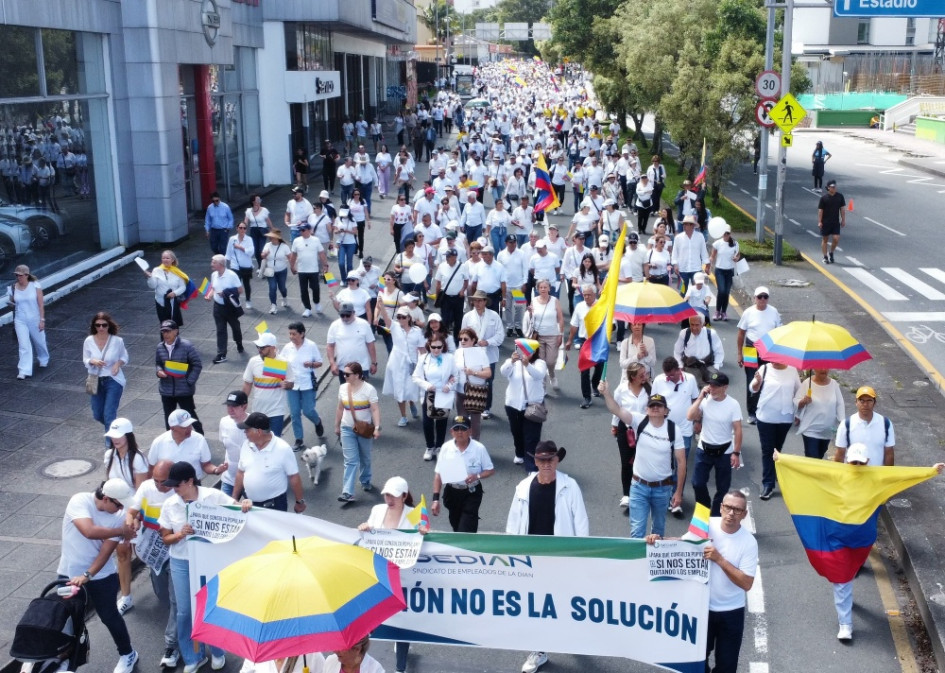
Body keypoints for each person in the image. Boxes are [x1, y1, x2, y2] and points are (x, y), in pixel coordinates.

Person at [646, 490, 757, 673]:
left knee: (727, 667)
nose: (731, 513)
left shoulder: (749, 542)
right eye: (728, 507)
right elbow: (683, 544)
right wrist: (659, 541)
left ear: (744, 514)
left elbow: (746, 583)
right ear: (721, 508)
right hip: (701, 608)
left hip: (731, 612)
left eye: (737, 510)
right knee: (696, 661)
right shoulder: (705, 524)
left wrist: (720, 560)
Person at [159, 461, 252, 673]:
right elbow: (165, 538)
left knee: (210, 606)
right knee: (184, 612)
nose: (174, 489)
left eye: (177, 485)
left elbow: (237, 509)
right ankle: (193, 655)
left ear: (190, 481)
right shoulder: (170, 504)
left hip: (208, 560)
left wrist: (245, 503)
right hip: (181, 561)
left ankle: (218, 651)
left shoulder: (212, 496)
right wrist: (180, 534)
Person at [506, 440, 589, 673]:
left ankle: (569, 633)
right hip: (531, 558)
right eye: (542, 460)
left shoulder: (570, 486)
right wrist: (511, 555)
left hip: (561, 557)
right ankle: (539, 650)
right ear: (535, 461)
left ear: (557, 460)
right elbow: (513, 524)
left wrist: (582, 557)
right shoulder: (523, 487)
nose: (546, 464)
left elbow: (581, 523)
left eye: (550, 459)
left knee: (564, 601)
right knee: (537, 605)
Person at [57, 479, 138, 673]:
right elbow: (89, 531)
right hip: (68, 573)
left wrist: (88, 574)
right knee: (67, 620)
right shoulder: (79, 501)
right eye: (118, 504)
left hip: (102, 576)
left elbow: (105, 552)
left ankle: (128, 654)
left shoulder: (118, 516)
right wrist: (122, 531)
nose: (121, 509)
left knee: (109, 616)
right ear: (106, 498)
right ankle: (66, 661)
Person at [358, 476, 425, 673]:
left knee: (402, 621)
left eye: (393, 496)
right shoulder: (377, 510)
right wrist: (365, 528)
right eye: (386, 495)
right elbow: (367, 534)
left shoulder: (413, 514)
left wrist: (424, 532)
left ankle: (400, 668)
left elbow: (424, 535)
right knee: (370, 619)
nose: (389, 499)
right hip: (378, 574)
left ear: (404, 496)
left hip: (403, 577)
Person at [600, 386, 685, 538]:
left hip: (663, 488)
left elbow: (681, 462)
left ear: (666, 411)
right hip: (639, 486)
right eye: (652, 406)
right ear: (647, 409)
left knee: (658, 532)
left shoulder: (674, 430)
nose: (655, 408)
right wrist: (606, 393)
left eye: (659, 406)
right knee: (637, 532)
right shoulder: (638, 420)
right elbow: (616, 410)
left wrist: (678, 492)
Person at [124, 459, 180, 668]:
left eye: (163, 481)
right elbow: (132, 512)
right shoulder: (147, 487)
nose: (158, 485)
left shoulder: (179, 492)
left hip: (176, 552)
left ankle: (172, 645)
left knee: (175, 599)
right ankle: (180, 621)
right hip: (155, 554)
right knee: (162, 594)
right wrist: (131, 522)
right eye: (155, 480)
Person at [103, 418, 148, 617]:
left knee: (143, 552)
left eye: (118, 435)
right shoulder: (109, 456)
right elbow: (109, 485)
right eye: (112, 436)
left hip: (135, 509)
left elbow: (141, 491)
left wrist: (136, 516)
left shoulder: (138, 459)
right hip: (118, 510)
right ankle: (126, 597)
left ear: (128, 435)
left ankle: (163, 582)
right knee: (122, 553)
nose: (115, 439)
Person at [687, 372, 744, 515]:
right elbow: (690, 416)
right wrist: (700, 397)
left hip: (724, 451)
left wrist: (736, 453)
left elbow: (738, 430)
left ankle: (716, 514)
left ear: (725, 387)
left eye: (716, 386)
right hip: (704, 449)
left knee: (723, 488)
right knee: (697, 483)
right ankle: (704, 508)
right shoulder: (705, 401)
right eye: (710, 385)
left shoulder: (733, 404)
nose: (712, 389)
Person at [232, 412, 307, 513]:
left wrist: (300, 502)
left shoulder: (283, 449)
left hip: (275, 507)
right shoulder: (246, 445)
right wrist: (234, 499)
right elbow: (240, 473)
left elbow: (294, 477)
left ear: (259, 431)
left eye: (247, 430)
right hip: (249, 505)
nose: (245, 432)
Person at [431, 415, 496, 532]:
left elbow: (490, 470)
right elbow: (438, 475)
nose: (460, 432)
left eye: (463, 429)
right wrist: (435, 500)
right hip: (452, 492)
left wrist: (477, 476)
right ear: (451, 432)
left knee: (466, 528)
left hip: (471, 492)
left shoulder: (479, 449)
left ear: (470, 431)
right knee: (456, 525)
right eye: (456, 429)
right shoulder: (446, 448)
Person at [750, 361, 801, 501]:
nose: (775, 363)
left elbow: (798, 392)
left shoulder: (792, 370)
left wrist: (799, 411)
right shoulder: (764, 368)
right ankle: (768, 484)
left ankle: (773, 472)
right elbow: (753, 389)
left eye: (778, 360)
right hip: (765, 417)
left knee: (777, 448)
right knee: (768, 450)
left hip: (785, 418)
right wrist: (757, 382)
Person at [335, 362, 381, 502]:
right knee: (350, 461)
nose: (344, 376)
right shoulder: (343, 388)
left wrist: (377, 427)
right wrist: (337, 426)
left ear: (357, 375)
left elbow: (374, 409)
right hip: (346, 428)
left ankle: (365, 479)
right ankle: (347, 492)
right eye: (344, 374)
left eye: (347, 374)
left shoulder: (369, 390)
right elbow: (340, 408)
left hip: (364, 430)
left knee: (365, 458)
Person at [735, 286, 781, 423]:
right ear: (755, 298)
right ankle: (752, 412)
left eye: (765, 297)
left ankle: (764, 409)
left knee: (768, 380)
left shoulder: (774, 312)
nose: (762, 299)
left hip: (768, 350)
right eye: (760, 297)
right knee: (752, 380)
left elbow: (779, 332)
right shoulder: (748, 313)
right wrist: (739, 353)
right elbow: (741, 333)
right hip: (751, 349)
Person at [609, 362, 651, 509]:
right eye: (641, 375)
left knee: (643, 462)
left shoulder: (650, 389)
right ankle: (627, 494)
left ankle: (642, 493)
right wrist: (614, 425)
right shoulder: (621, 390)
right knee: (626, 462)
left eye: (645, 373)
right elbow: (616, 409)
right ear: (632, 377)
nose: (645, 377)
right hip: (626, 430)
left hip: (645, 431)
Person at [500, 344, 548, 472]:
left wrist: (527, 365)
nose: (525, 353)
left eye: (529, 351)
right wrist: (511, 361)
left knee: (531, 437)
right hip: (513, 404)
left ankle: (532, 467)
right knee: (516, 432)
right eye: (522, 350)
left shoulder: (540, 363)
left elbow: (538, 375)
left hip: (533, 405)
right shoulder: (513, 362)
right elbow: (503, 372)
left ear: (535, 351)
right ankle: (520, 453)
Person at [413, 336, 459, 461]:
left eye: (439, 347)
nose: (436, 350)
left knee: (441, 422)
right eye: (433, 347)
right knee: (427, 422)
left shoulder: (449, 358)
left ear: (443, 346)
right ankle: (429, 447)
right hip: (429, 393)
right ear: (429, 346)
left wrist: (449, 386)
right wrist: (427, 385)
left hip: (443, 394)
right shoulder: (423, 358)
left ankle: (439, 447)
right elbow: (415, 377)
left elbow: (456, 376)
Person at [83, 312, 129, 438]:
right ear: (94, 326)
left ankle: (110, 445)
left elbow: (124, 357)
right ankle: (116, 429)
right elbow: (85, 359)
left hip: (113, 379)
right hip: (94, 379)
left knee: (109, 414)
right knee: (97, 414)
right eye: (98, 325)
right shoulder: (88, 341)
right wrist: (92, 361)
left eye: (104, 325)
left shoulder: (117, 341)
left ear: (109, 325)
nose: (101, 328)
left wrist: (117, 364)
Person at [154, 319, 204, 434]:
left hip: (184, 390)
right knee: (169, 418)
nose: (165, 334)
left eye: (168, 331)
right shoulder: (160, 347)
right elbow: (158, 363)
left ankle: (200, 435)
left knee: (190, 415)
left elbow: (197, 364)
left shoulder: (186, 346)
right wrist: (159, 371)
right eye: (163, 331)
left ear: (176, 331)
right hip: (166, 390)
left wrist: (189, 381)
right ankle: (171, 438)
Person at [461, 290, 504, 419]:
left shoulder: (494, 315)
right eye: (475, 301)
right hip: (472, 353)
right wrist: (462, 353)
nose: (477, 303)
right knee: (471, 380)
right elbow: (462, 336)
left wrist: (488, 342)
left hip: (489, 354)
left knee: (488, 381)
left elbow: (500, 335)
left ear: (485, 301)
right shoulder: (468, 316)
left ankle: (486, 407)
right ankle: (471, 408)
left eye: (480, 300)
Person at [147, 409, 226, 480]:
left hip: (192, 485)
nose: (189, 429)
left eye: (190, 425)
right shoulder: (159, 442)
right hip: (167, 487)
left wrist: (216, 470)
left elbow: (206, 465)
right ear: (172, 428)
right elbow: (151, 468)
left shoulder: (199, 439)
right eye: (184, 427)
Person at [381, 307, 423, 427]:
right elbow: (386, 317)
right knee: (399, 389)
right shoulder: (394, 327)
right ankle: (403, 416)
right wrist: (381, 305)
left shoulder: (417, 331)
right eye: (398, 317)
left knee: (410, 389)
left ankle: (411, 403)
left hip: (412, 363)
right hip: (397, 363)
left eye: (403, 317)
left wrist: (423, 363)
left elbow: (422, 349)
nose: (400, 319)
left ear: (409, 318)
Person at [833, 385, 895, 466]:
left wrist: (888, 473)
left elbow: (889, 453)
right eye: (861, 400)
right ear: (856, 402)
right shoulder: (845, 425)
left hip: (877, 473)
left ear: (874, 403)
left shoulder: (885, 424)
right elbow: (840, 454)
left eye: (869, 400)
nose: (865, 404)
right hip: (853, 472)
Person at [565, 284, 604, 409]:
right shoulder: (579, 307)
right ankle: (587, 397)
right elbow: (574, 325)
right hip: (584, 342)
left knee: (599, 367)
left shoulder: (602, 306)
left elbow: (611, 324)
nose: (586, 297)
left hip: (598, 341)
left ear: (594, 295)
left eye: (589, 295)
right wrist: (570, 340)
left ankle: (595, 384)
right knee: (584, 370)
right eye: (584, 295)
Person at [794, 369, 845, 459]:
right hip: (810, 429)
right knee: (812, 458)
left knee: (819, 457)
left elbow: (840, 404)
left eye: (826, 366)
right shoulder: (807, 383)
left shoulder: (834, 384)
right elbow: (796, 401)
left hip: (827, 431)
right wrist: (803, 401)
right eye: (820, 367)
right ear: (814, 368)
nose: (823, 369)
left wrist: (842, 423)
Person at [10, 264, 49, 379]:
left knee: (39, 341)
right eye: (17, 275)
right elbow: (12, 301)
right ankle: (24, 370)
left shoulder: (35, 286)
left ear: (27, 275)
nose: (18, 277)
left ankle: (43, 358)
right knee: (23, 345)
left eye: (21, 275)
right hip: (20, 319)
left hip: (34, 318)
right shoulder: (13, 287)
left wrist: (42, 320)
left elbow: (41, 305)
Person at [526, 279, 565, 390]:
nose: (543, 289)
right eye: (541, 287)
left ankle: (552, 375)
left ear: (549, 288)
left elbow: (560, 318)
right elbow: (531, 319)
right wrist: (529, 313)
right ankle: (542, 386)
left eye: (545, 287)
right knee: (541, 362)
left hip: (552, 335)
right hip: (538, 336)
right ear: (537, 289)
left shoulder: (555, 301)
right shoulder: (534, 300)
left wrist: (560, 334)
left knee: (551, 361)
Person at [327, 301, 378, 386]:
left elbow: (370, 344)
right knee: (346, 393)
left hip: (361, 368)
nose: (345, 318)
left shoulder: (364, 324)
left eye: (348, 315)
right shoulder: (334, 325)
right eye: (342, 315)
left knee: (361, 393)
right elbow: (330, 346)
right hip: (343, 368)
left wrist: (374, 363)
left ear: (353, 313)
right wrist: (332, 364)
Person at [206, 253, 244, 364]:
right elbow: (213, 288)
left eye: (214, 262)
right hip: (218, 307)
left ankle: (239, 343)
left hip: (230, 307)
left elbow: (240, 290)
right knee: (220, 330)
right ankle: (221, 354)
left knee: (235, 328)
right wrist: (209, 295)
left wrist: (225, 293)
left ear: (221, 264)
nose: (211, 264)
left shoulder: (232, 275)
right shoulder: (214, 275)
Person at [454, 327, 491, 440]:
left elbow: (488, 373)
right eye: (460, 339)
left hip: (475, 391)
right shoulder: (458, 352)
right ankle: (462, 442)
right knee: (461, 420)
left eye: (465, 339)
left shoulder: (481, 353)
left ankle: (475, 444)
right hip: (460, 391)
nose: (462, 341)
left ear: (473, 340)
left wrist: (473, 372)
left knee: (475, 422)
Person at [289, 222, 329, 318]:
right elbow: (293, 254)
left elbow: (321, 253)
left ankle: (317, 302)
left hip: (313, 269)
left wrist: (325, 265)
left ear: (309, 230)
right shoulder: (296, 241)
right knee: (303, 290)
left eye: (303, 230)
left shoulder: (315, 240)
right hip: (302, 270)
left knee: (315, 288)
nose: (301, 232)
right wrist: (292, 266)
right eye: (300, 230)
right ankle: (307, 308)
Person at [673, 314, 724, 383]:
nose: (694, 328)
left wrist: (716, 367)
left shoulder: (711, 334)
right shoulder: (684, 333)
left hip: (708, 366)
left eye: (697, 325)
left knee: (714, 385)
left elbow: (719, 352)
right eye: (692, 324)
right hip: (690, 367)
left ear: (703, 324)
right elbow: (677, 352)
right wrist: (680, 366)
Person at [143, 250, 187, 326]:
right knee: (164, 324)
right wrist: (150, 277)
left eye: (167, 258)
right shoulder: (156, 270)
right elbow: (152, 286)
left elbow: (183, 287)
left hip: (173, 302)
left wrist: (175, 293)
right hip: (160, 301)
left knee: (173, 324)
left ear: (172, 260)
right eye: (163, 258)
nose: (165, 260)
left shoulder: (177, 272)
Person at [218, 391, 249, 497]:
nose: (230, 409)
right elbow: (224, 444)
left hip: (249, 481)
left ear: (244, 406)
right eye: (228, 406)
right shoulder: (224, 422)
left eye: (234, 406)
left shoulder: (254, 423)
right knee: (224, 507)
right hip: (229, 479)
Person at [710, 224, 740, 321]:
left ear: (730, 234)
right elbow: (712, 255)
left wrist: (736, 258)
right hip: (720, 270)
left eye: (727, 233)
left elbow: (738, 255)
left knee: (726, 292)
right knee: (721, 290)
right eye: (724, 233)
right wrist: (709, 264)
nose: (725, 235)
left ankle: (724, 312)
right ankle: (717, 311)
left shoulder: (735, 243)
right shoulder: (718, 243)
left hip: (730, 271)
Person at [226, 221, 256, 308]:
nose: (242, 230)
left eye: (244, 228)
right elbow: (228, 252)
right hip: (235, 265)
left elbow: (251, 252)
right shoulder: (232, 239)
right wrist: (225, 264)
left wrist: (240, 247)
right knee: (236, 284)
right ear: (237, 228)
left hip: (246, 265)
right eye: (240, 228)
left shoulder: (249, 239)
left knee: (246, 284)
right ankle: (237, 299)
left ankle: (248, 300)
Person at [817, 179, 845, 265]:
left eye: (835, 187)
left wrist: (843, 220)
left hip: (835, 222)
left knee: (836, 238)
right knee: (825, 239)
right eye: (832, 187)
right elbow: (820, 210)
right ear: (828, 188)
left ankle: (831, 252)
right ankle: (825, 257)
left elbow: (842, 209)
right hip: (825, 222)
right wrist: (820, 221)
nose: (834, 188)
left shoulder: (840, 196)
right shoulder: (824, 198)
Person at [244, 194, 273, 271]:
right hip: (253, 231)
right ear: (253, 201)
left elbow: (268, 221)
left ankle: (264, 265)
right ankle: (260, 266)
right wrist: (243, 228)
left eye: (260, 199)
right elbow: (246, 222)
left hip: (262, 230)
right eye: (258, 200)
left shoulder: (264, 210)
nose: (259, 201)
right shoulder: (249, 211)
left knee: (261, 249)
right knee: (256, 250)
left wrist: (272, 229)